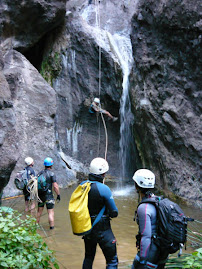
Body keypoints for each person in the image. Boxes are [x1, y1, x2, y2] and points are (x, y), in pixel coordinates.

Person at [82, 157, 119, 269]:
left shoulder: (82, 186)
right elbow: (114, 212)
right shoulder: (104, 189)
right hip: (103, 229)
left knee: (88, 257)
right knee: (112, 260)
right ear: (103, 174)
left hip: (87, 228)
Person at [131, 169, 168, 269]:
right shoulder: (158, 200)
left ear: (136, 185)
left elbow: (146, 236)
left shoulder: (144, 208)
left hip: (151, 253)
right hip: (162, 252)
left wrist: (142, 260)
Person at [36, 157, 60, 230]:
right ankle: (52, 228)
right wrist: (58, 195)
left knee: (39, 211)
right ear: (51, 165)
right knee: (50, 212)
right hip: (49, 196)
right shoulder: (52, 174)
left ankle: (35, 226)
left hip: (40, 195)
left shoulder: (39, 173)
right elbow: (55, 186)